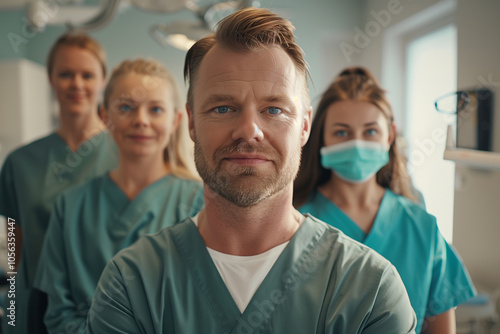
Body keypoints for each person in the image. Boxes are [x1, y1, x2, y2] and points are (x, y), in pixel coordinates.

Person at [85, 8, 417, 333]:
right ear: (191, 124)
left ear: (304, 126)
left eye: (274, 109)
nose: (248, 130)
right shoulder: (132, 285)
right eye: (223, 108)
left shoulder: (369, 291)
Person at [294, 67, 476, 334]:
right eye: (342, 133)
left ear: (389, 135)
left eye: (370, 132)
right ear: (320, 135)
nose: (357, 144)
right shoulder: (293, 221)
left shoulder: (422, 229)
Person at [33, 58, 204, 334]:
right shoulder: (71, 206)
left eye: (156, 109)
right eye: (126, 107)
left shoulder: (198, 202)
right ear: (104, 115)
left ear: (176, 120)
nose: (141, 120)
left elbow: (202, 307)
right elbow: (57, 313)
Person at [0, 32, 117, 333]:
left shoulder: (125, 155)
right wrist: (14, 300)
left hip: (106, 304)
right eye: (65, 74)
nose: (77, 84)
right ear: (51, 79)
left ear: (102, 80)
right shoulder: (20, 162)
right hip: (36, 305)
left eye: (87, 75)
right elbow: (15, 243)